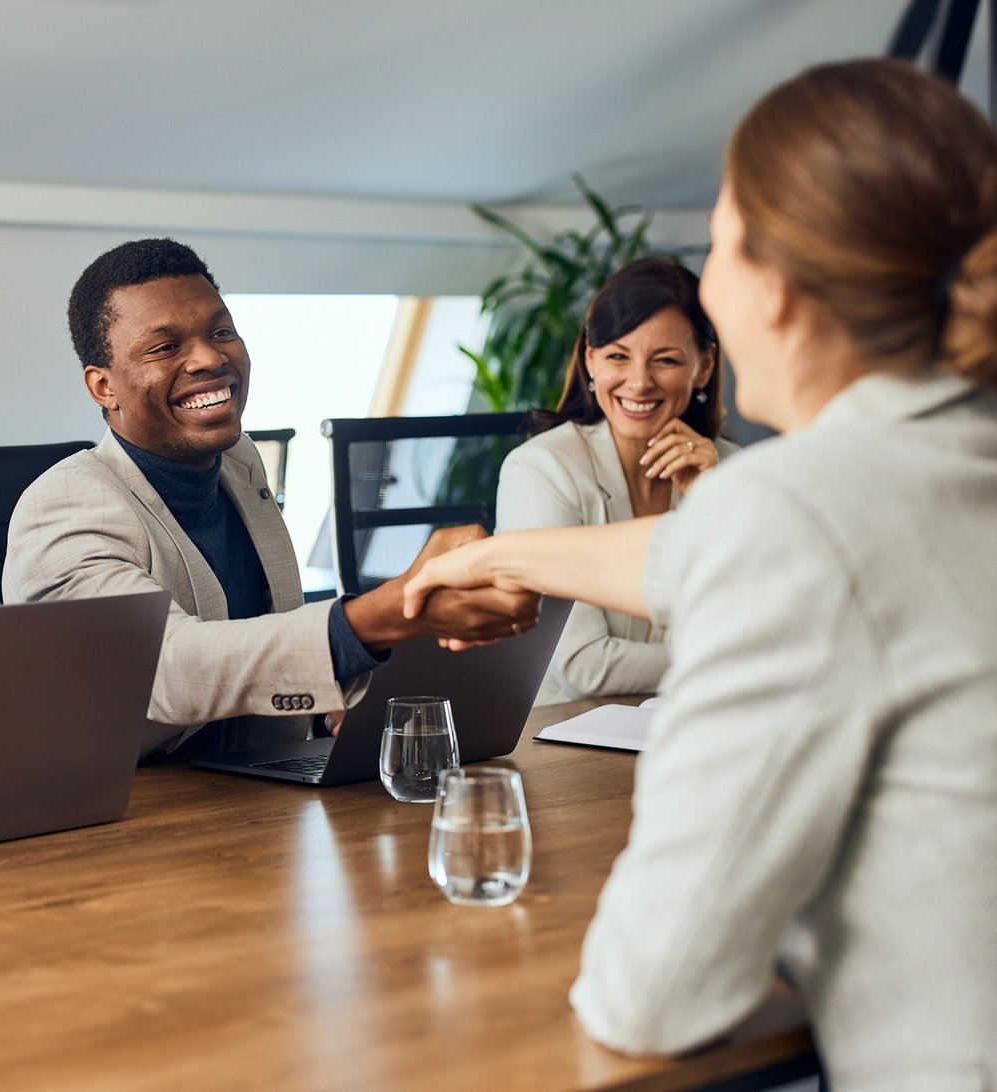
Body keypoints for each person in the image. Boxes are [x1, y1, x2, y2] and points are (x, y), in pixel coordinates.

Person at [401, 60, 997, 1082]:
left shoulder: (797, 508)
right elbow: (703, 559)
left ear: (775, 290)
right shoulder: (931, 464)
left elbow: (654, 990)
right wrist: (502, 551)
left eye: (718, 243)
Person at [3, 238, 538, 760]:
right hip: (135, 803)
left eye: (221, 332)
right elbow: (157, 667)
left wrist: (326, 710)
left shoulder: (239, 461)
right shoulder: (65, 503)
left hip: (256, 782)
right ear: (104, 387)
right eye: (166, 348)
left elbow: (257, 638)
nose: (209, 358)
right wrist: (383, 615)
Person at [497, 257, 736, 702]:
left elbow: (768, 619)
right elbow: (585, 667)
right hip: (563, 731)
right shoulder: (542, 470)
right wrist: (732, 659)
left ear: (703, 367)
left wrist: (712, 501)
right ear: (590, 359)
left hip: (692, 719)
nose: (639, 382)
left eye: (666, 360)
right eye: (617, 357)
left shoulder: (727, 470)